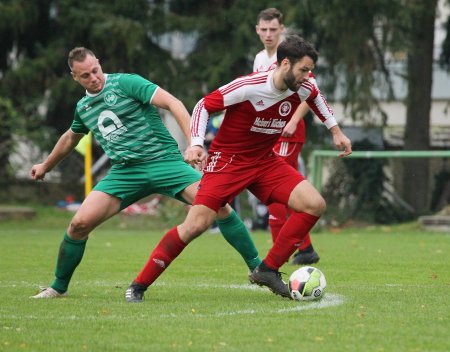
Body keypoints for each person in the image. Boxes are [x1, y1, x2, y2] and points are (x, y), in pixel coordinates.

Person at [125, 35, 352, 300]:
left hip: (264, 161)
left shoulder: (304, 85)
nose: (307, 76)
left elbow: (317, 97)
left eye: (310, 70)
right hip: (228, 163)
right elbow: (203, 106)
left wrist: (335, 131)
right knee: (196, 225)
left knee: (314, 204)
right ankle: (138, 285)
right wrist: (196, 143)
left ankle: (267, 270)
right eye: (303, 69)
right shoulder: (249, 86)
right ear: (286, 64)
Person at [30, 47, 261, 300]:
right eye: (85, 76)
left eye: (95, 70)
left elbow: (174, 103)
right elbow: (70, 137)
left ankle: (258, 268)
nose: (93, 78)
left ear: (99, 62)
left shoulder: (127, 83)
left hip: (165, 163)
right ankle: (58, 287)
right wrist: (45, 166)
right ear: (75, 77)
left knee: (220, 207)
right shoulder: (84, 107)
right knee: (78, 224)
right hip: (124, 173)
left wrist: (194, 143)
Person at [254, 8, 321, 265]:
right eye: (264, 29)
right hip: (270, 132)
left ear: (282, 29)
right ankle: (304, 248)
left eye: (274, 29)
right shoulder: (260, 59)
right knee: (290, 192)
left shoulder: (293, 57)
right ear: (257, 30)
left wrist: (293, 120)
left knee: (275, 191)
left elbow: (311, 92)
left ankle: (275, 257)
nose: (269, 34)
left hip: (288, 133)